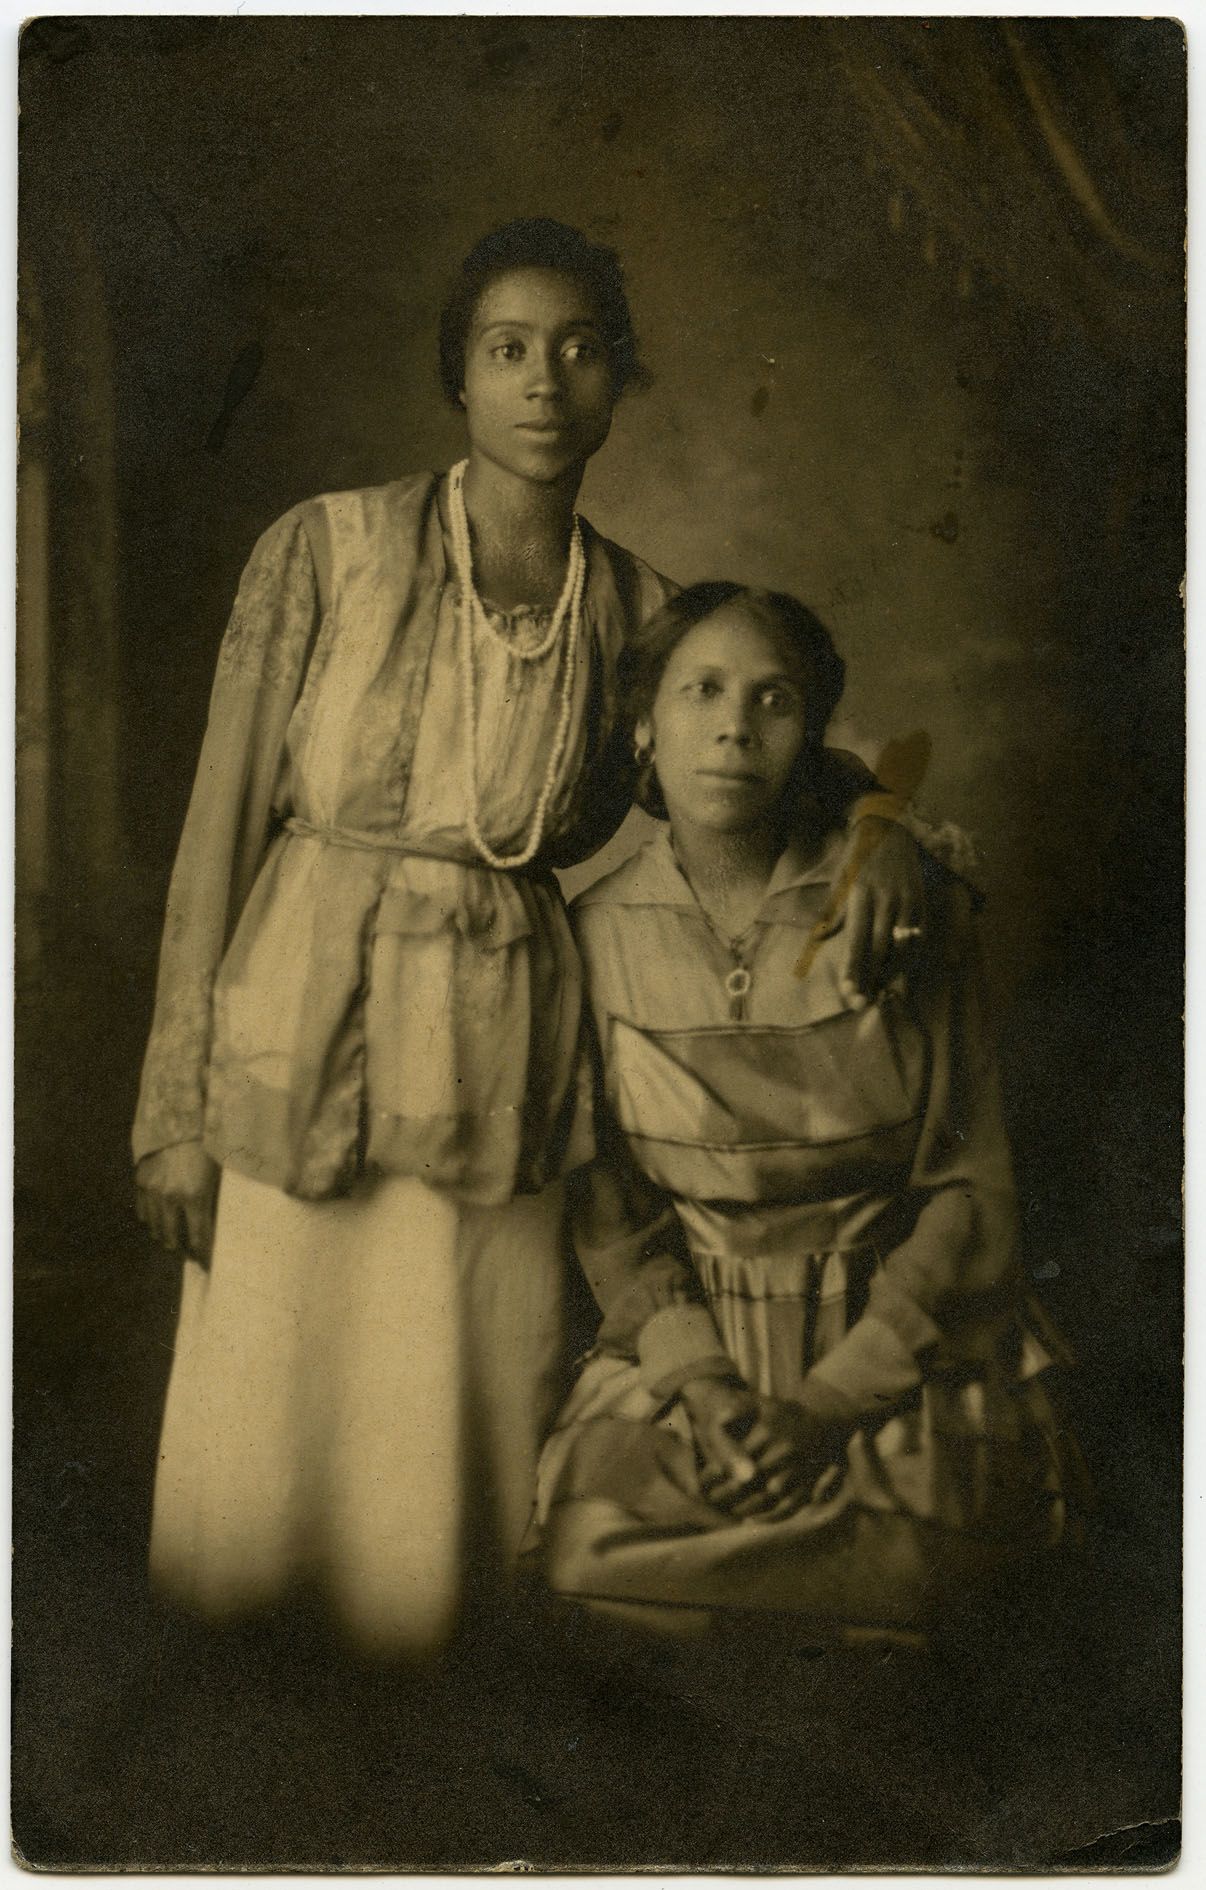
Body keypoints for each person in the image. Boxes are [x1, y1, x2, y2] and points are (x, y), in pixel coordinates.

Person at [132, 219, 933, 1658]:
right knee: (266, 1468)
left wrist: (888, 832)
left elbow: (789, 758)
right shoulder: (324, 546)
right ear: (460, 374)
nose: (543, 383)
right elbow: (214, 838)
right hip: (295, 1041)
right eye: (507, 350)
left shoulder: (637, 610)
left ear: (620, 378)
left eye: (579, 350)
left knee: (443, 1475)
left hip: (500, 1055)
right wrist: (174, 1112)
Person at [525, 582, 1087, 1643]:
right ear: (643, 726)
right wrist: (703, 1386)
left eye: (774, 699)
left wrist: (829, 1405)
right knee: (594, 1567)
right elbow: (614, 1215)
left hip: (896, 1353)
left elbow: (972, 1193)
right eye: (701, 691)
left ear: (813, 734)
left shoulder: (903, 910)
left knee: (914, 1588)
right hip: (695, 1366)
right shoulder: (592, 936)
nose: (736, 727)